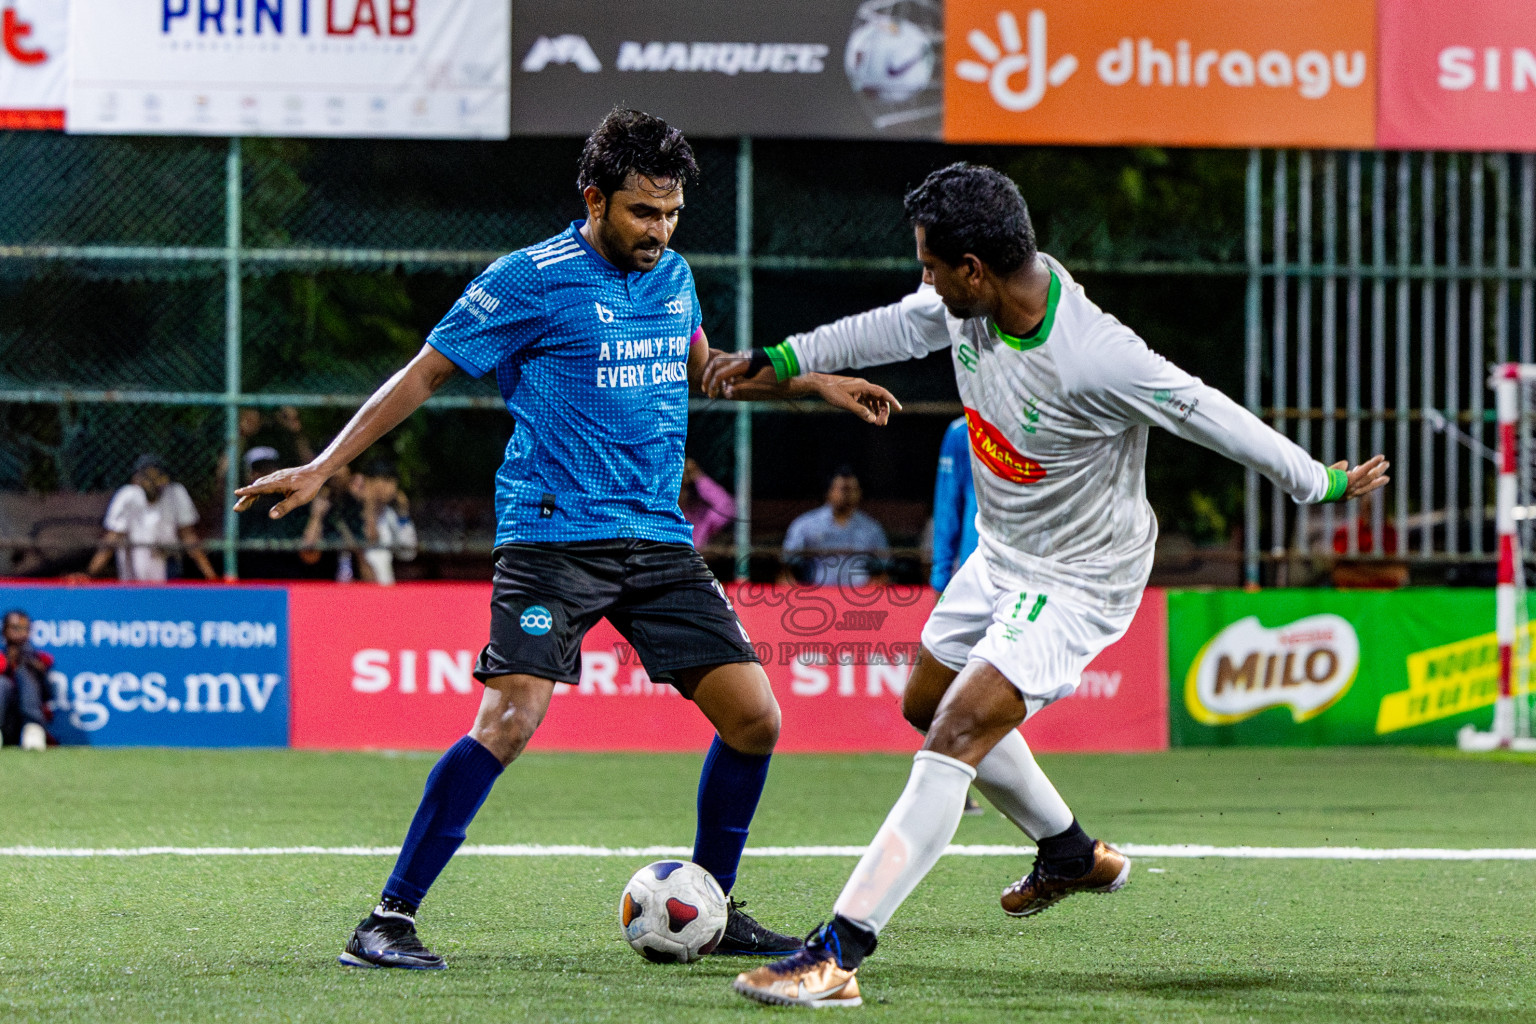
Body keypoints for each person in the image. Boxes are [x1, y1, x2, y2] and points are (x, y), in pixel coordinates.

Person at [706, 162, 1389, 1007]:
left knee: (952, 732)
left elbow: (1206, 410)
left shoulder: (1095, 356)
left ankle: (835, 955)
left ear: (974, 269)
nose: (924, 281)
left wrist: (1315, 480)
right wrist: (778, 359)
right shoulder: (974, 305)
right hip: (1003, 553)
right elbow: (891, 326)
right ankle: (1068, 851)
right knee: (926, 702)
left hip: (1079, 577)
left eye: (930, 265)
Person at [234, 107, 899, 971]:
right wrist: (324, 464)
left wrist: (811, 382)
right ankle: (387, 920)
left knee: (755, 720)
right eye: (641, 213)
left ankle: (713, 903)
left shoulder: (674, 277)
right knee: (509, 719)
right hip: (554, 537)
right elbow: (427, 371)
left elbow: (702, 368)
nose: (659, 230)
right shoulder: (529, 277)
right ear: (595, 198)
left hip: (657, 540)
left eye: (671, 214)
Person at [84, 454, 218, 582]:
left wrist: (211, 577)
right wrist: (90, 574)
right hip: (135, 570)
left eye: (158, 476)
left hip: (167, 566)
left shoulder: (175, 493)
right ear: (136, 479)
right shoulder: (127, 497)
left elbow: (188, 537)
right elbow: (112, 538)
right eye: (147, 476)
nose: (153, 482)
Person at [781, 468, 890, 586]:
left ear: (860, 493)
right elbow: (786, 569)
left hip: (860, 594)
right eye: (843, 489)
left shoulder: (872, 528)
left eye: (851, 489)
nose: (847, 494)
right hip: (817, 592)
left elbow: (882, 572)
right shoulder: (805, 525)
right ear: (829, 492)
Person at [930, 416, 978, 591]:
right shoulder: (961, 432)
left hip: (1033, 575)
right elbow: (946, 514)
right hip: (977, 577)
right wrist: (940, 579)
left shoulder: (1048, 425)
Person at [359, 459, 418, 585]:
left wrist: (403, 515)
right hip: (352, 590)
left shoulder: (390, 515)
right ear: (369, 481)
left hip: (384, 591)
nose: (392, 488)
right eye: (386, 480)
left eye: (393, 482)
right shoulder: (353, 512)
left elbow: (408, 553)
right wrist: (369, 507)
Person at [1, 609, 52, 750]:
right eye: (15, 628)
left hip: (28, 726)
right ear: (4, 631)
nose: (21, 633)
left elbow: (49, 694)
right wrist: (8, 663)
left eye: (25, 628)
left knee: (25, 672)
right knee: (2, 683)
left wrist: (32, 666)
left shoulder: (40, 659)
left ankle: (33, 728)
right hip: (5, 723)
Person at [680, 457, 736, 549]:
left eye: (684, 488)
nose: (681, 494)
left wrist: (699, 477)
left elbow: (727, 506)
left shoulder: (701, 517)